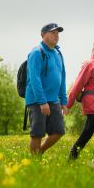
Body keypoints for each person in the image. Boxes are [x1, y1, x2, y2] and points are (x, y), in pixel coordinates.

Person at [25, 23, 69, 155]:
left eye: (57, 33)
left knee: (59, 131)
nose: (56, 35)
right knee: (37, 133)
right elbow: (34, 79)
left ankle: (39, 153)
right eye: (52, 33)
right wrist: (42, 101)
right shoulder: (36, 53)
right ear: (43, 35)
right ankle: (34, 162)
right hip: (37, 100)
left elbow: (62, 78)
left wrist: (63, 101)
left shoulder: (58, 53)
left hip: (53, 99)